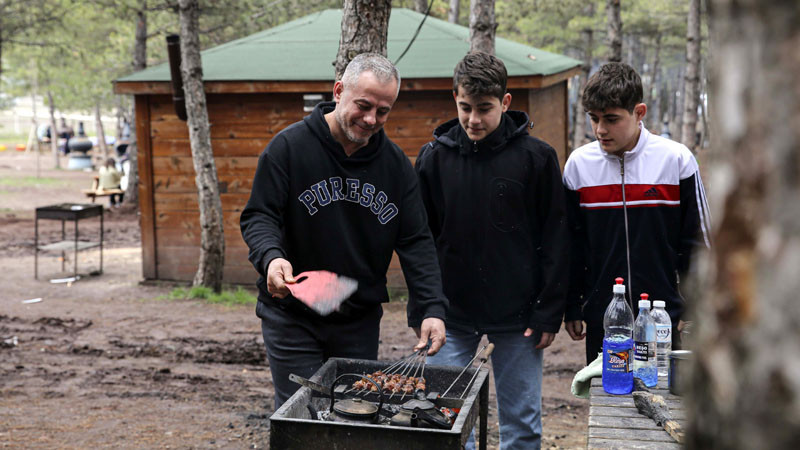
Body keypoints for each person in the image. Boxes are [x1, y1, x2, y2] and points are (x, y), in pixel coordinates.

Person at [239, 53, 448, 409]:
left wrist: (431, 308)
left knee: (352, 418)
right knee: (302, 416)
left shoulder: (396, 167)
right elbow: (260, 216)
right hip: (293, 314)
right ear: (339, 91)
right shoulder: (289, 149)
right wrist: (271, 260)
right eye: (363, 106)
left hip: (357, 320)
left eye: (383, 111)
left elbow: (415, 241)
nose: (371, 119)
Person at [415, 52, 569, 450]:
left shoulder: (537, 159)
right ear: (454, 99)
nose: (473, 120)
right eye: (465, 108)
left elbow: (556, 237)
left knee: (523, 427)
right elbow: (420, 241)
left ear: (505, 102)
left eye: (484, 109)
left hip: (519, 316)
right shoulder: (434, 159)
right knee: (445, 421)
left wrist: (549, 309)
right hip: (450, 316)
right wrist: (426, 309)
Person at [562, 62, 711, 364]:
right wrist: (573, 306)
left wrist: (693, 306)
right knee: (610, 404)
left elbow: (699, 242)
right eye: (594, 119)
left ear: (639, 112)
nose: (600, 129)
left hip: (664, 317)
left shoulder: (676, 159)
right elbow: (570, 246)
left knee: (666, 404)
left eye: (611, 119)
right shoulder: (578, 165)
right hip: (604, 319)